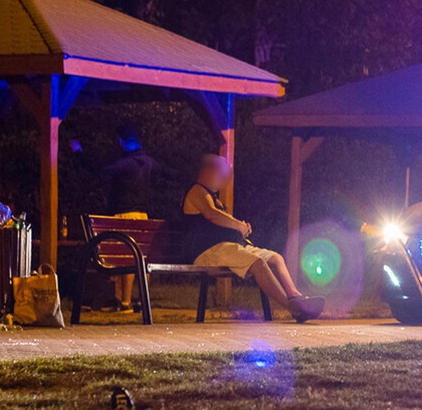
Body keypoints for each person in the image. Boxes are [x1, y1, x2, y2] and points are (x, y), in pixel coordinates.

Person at [183, 155, 324, 322]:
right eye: (222, 173)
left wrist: (239, 229)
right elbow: (211, 214)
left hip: (229, 248)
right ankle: (294, 309)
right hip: (209, 251)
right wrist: (238, 225)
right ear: (207, 170)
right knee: (258, 264)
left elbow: (220, 219)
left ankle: (296, 297)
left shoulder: (214, 198)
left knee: (276, 258)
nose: (225, 179)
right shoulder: (197, 191)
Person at [99, 122, 160, 313]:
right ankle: (143, 300)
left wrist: (78, 152)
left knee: (124, 258)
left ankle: (123, 302)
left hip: (123, 213)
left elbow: (101, 170)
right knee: (140, 258)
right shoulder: (149, 162)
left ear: (121, 141)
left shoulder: (124, 163)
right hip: (143, 215)